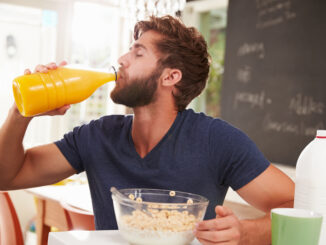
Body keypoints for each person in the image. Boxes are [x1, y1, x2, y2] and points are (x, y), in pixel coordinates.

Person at [0, 15, 293, 244]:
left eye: (138, 53)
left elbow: (295, 206)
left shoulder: (217, 141)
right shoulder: (97, 135)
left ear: (170, 76)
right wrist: (21, 112)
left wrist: (246, 233)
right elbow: (7, 176)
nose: (121, 60)